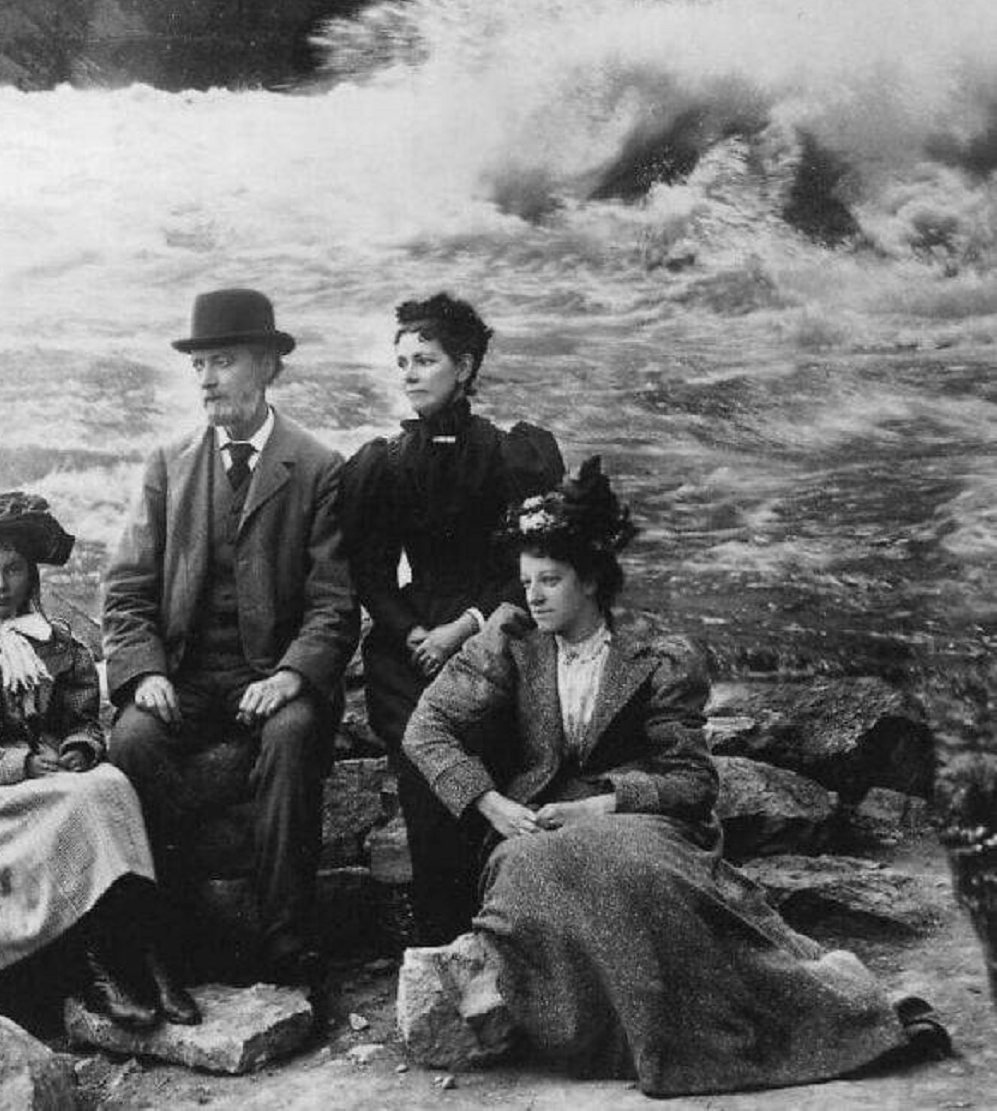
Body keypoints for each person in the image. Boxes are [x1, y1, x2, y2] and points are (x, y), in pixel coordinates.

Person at [403, 459, 950, 1097]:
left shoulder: (656, 654)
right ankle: (605, 1034)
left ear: (591, 581)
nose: (534, 596)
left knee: (635, 871)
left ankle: (786, 1020)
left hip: (642, 822)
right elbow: (427, 728)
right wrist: (491, 804)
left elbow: (693, 783)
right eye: (527, 581)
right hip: (535, 823)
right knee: (524, 870)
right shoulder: (512, 640)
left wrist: (606, 805)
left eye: (551, 580)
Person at [103, 286, 359, 992]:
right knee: (132, 741)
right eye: (200, 364)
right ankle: (173, 934)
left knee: (292, 733)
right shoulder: (168, 463)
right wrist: (143, 672)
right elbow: (124, 590)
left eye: (225, 361)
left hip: (270, 678)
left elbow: (334, 604)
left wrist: (290, 676)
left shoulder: (316, 466)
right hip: (184, 676)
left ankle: (285, 938)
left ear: (269, 366)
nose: (208, 379)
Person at [0, 492, 198, 1031]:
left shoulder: (58, 647)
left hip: (43, 784)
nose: (0, 585)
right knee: (85, 799)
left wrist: (79, 749)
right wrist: (19, 766)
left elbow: (81, 720)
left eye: (13, 571)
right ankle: (99, 969)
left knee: (110, 783)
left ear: (32, 577)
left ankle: (143, 957)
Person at [341, 293, 564, 943]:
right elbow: (372, 570)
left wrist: (465, 626)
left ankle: (495, 918)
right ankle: (444, 930)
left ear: (463, 367)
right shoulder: (384, 462)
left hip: (494, 621)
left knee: (484, 736)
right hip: (411, 634)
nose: (410, 373)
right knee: (420, 738)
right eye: (403, 361)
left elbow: (523, 569)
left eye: (426, 360)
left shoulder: (507, 454)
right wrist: (411, 630)